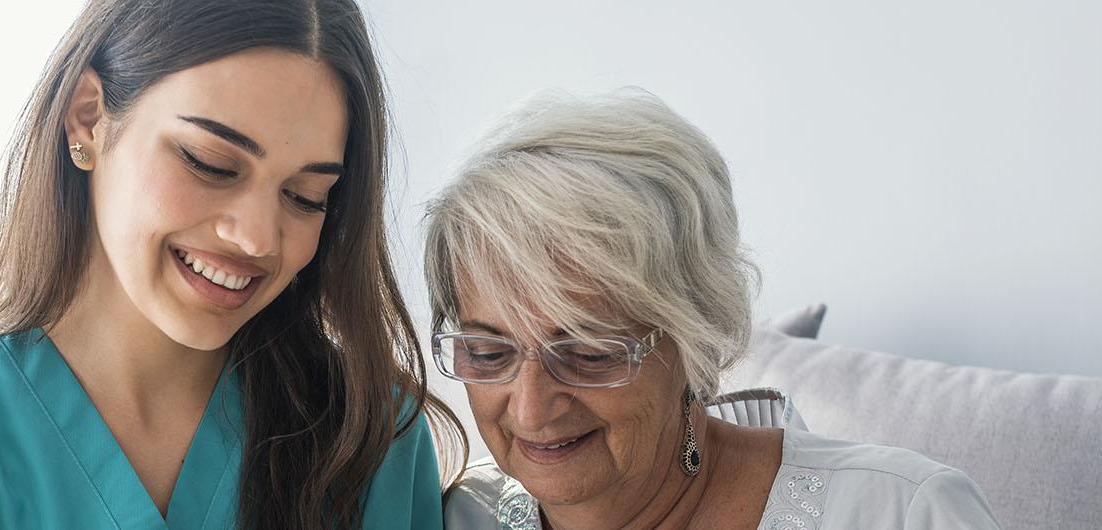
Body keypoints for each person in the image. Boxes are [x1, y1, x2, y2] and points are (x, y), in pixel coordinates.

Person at [0, 1, 463, 528]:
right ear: (88, 118)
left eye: (305, 196)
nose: (258, 238)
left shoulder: (367, 441)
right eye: (210, 162)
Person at [427, 90, 1001, 529]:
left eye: (588, 353)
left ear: (693, 337)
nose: (529, 410)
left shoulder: (902, 512)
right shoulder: (454, 516)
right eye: (487, 352)